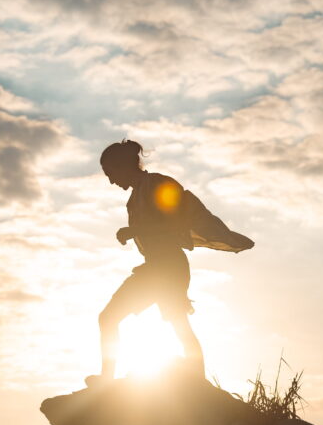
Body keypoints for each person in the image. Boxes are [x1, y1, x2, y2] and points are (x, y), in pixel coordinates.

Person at [86, 139, 254, 386]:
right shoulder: (134, 198)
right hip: (154, 267)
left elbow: (175, 222)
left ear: (123, 166)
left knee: (177, 323)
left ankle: (198, 383)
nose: (111, 181)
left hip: (170, 267)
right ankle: (107, 379)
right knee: (112, 318)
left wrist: (134, 230)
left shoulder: (159, 184)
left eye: (110, 173)